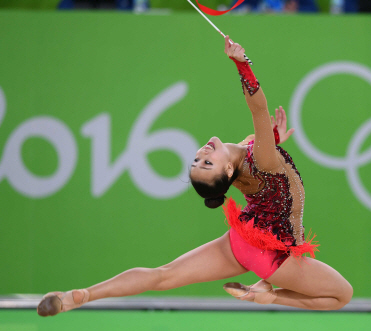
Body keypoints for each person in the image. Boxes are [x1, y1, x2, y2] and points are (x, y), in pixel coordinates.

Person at [37, 37, 353, 316]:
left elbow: (262, 157)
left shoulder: (249, 156)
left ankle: (80, 296)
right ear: (227, 172)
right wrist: (242, 64)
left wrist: (273, 138)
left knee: (163, 275)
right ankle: (267, 296)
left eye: (198, 160)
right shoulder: (261, 161)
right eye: (207, 163)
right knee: (341, 295)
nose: (202, 153)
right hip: (274, 256)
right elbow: (259, 108)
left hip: (242, 241)